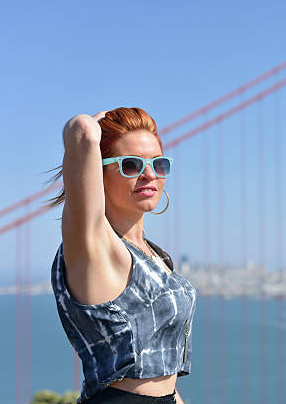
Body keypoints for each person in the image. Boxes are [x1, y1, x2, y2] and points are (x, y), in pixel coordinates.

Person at [47, 107, 197, 404]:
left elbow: (161, 374)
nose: (150, 174)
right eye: (131, 165)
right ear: (99, 173)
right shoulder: (92, 245)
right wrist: (93, 125)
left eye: (159, 163)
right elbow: (80, 132)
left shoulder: (156, 256)